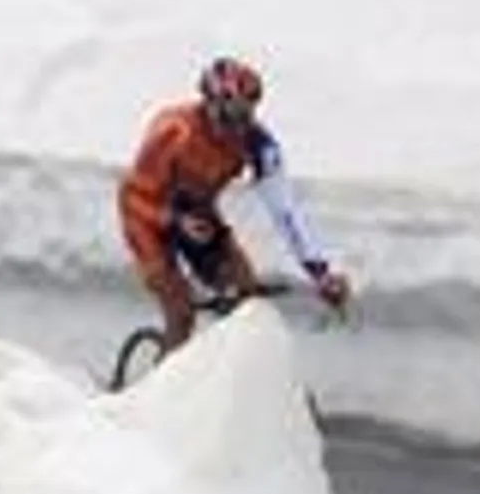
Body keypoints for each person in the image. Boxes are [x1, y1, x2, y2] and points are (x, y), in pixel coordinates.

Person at [118, 55, 354, 351]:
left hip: (199, 216)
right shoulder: (173, 131)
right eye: (228, 118)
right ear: (209, 105)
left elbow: (285, 212)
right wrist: (174, 221)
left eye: (245, 117)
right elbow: (132, 195)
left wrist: (320, 273)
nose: (235, 129)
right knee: (181, 313)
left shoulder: (257, 144)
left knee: (248, 302)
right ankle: (161, 386)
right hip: (147, 218)